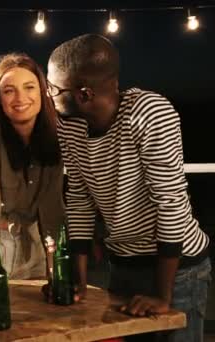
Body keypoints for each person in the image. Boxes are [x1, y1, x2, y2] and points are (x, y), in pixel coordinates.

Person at [49, 34, 211, 341]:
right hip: (123, 265)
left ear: (84, 94)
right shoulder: (69, 125)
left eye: (53, 89)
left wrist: (163, 297)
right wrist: (79, 281)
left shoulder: (149, 113)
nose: (49, 95)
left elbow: (171, 203)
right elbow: (80, 199)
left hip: (177, 271)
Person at [0, 53, 65, 281]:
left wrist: (55, 273)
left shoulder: (57, 132)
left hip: (38, 244)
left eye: (29, 87)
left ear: (43, 91)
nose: (21, 98)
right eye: (9, 90)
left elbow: (51, 206)